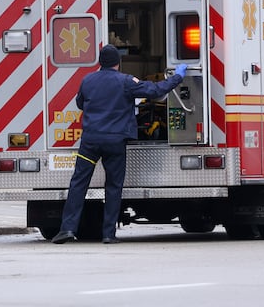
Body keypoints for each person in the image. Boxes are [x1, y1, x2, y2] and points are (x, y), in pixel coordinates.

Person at [52, 44, 187, 244]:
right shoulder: (126, 81)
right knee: (113, 186)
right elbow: (155, 90)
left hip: (90, 141)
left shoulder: (87, 80)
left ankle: (67, 229)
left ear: (100, 62)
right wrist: (177, 77)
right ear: (118, 62)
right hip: (114, 142)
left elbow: (80, 103)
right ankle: (108, 234)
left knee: (78, 184)